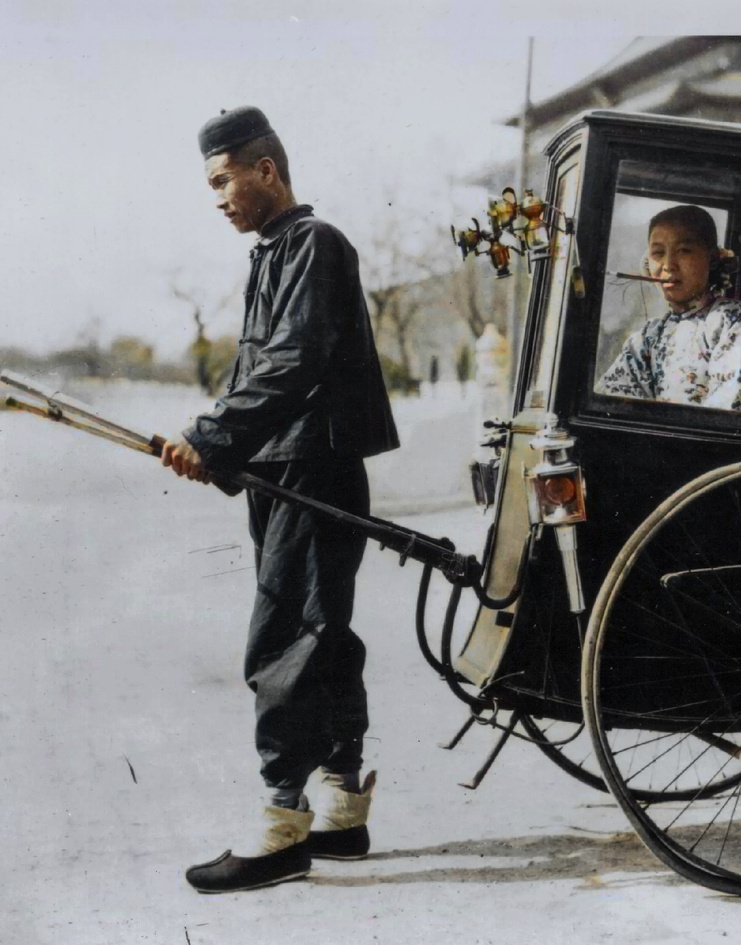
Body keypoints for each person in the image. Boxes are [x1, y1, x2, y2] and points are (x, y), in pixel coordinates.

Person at [160, 106, 400, 893]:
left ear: (267, 170)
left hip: (315, 468)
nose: (218, 197)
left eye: (225, 179)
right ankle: (342, 814)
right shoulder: (273, 253)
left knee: (286, 641)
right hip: (288, 466)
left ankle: (280, 827)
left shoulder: (314, 244)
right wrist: (214, 448)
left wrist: (215, 434)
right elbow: (256, 373)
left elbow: (293, 361)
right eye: (211, 185)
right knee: (321, 632)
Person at [596, 205, 741, 413]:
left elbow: (732, 417)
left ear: (711, 259)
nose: (668, 265)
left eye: (683, 251)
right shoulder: (648, 337)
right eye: (657, 253)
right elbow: (609, 407)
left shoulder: (738, 322)